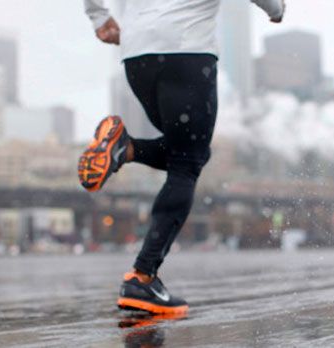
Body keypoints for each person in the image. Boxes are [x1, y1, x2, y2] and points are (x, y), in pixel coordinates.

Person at [80, 0, 285, 314]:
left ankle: (126, 148)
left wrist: (98, 15)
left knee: (187, 154)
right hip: (185, 51)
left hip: (137, 56)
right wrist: (276, 8)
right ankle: (143, 277)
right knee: (186, 164)